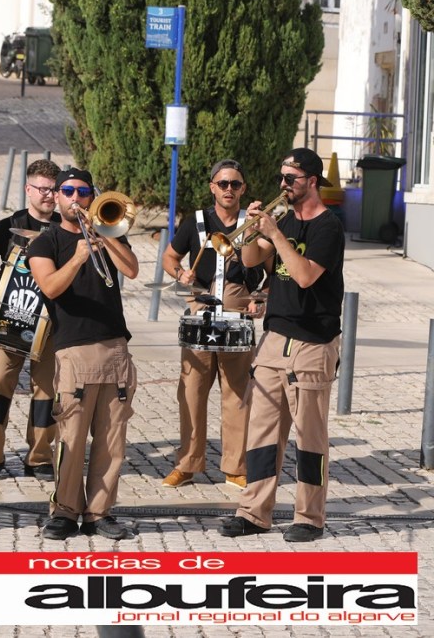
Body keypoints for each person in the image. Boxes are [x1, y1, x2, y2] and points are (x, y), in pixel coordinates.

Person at [219, 147, 344, 543]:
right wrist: (252, 229)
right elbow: (252, 260)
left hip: (314, 341)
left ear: (312, 181)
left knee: (310, 438)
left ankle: (310, 517)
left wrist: (275, 233)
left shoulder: (328, 227)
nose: (283, 185)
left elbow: (305, 276)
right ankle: (253, 513)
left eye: (291, 179)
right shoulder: (286, 220)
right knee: (261, 434)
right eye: (281, 178)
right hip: (275, 338)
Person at [26, 167, 140, 540]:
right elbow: (50, 287)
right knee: (72, 439)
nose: (75, 198)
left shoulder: (109, 233)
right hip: (73, 350)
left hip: (115, 348)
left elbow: (132, 270)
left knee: (111, 440)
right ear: (57, 197)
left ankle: (99, 513)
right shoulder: (45, 243)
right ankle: (64, 511)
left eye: (83, 192)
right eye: (68, 191)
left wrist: (103, 235)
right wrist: (76, 258)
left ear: (92, 197)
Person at [160, 159, 266, 491]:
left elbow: (272, 270)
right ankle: (187, 464)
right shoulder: (195, 222)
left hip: (237, 309)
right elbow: (169, 257)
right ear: (212, 187)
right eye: (223, 184)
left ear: (243, 188)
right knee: (191, 394)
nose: (229, 189)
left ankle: (235, 467)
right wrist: (181, 274)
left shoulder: (254, 223)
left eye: (235, 184)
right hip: (200, 310)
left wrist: (260, 297)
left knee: (237, 395)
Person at [0, 158, 61, 483]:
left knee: (47, 391)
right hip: (9, 321)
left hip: (52, 326)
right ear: (27, 189)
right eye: (42, 189)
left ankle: (40, 458)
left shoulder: (66, 228)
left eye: (53, 190)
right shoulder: (7, 227)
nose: (48, 195)